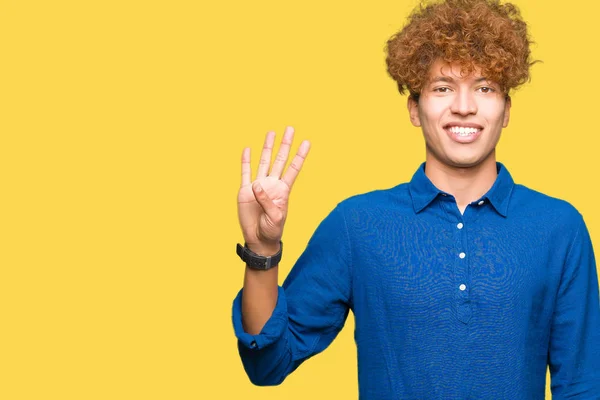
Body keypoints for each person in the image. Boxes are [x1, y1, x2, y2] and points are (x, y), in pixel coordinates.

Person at [231, 0, 600, 398]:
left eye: (485, 88)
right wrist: (262, 249)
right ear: (414, 107)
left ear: (506, 110)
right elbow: (267, 363)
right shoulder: (357, 224)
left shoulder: (559, 227)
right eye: (443, 88)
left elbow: (582, 384)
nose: (464, 106)